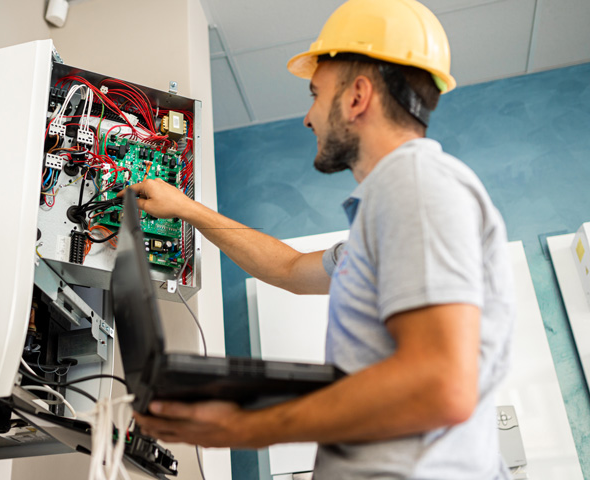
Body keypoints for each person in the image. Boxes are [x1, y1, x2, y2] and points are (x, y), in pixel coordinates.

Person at [123, 0, 515, 478]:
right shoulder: (389, 215)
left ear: (357, 97)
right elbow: (287, 268)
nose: (307, 117)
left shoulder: (415, 185)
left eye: (315, 93)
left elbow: (441, 386)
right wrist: (186, 208)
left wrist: (247, 428)